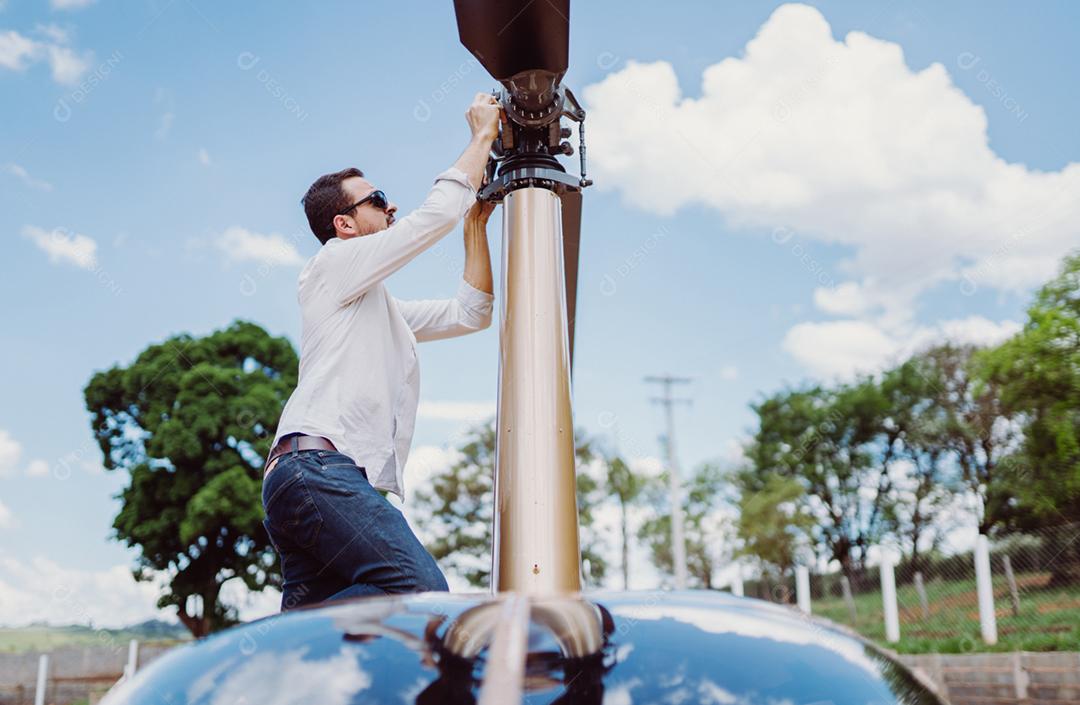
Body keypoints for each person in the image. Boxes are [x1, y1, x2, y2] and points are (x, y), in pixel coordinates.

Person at [261, 92, 502, 610]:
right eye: (377, 199)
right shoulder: (333, 264)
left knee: (314, 641)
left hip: (306, 478)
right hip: (317, 471)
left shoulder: (374, 308)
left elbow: (471, 313)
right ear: (344, 225)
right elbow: (431, 218)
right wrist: (482, 135)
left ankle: (272, 647)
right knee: (419, 592)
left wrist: (475, 227)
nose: (391, 206)